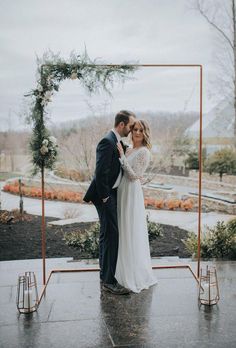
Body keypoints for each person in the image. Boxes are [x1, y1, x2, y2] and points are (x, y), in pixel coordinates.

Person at [83, 110, 136, 295]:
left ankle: (104, 275)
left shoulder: (117, 141)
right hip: (104, 196)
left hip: (111, 194)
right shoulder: (107, 141)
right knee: (111, 236)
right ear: (122, 124)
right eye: (130, 126)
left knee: (108, 235)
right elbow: (100, 173)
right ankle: (109, 282)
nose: (131, 130)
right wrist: (105, 197)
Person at [115, 119, 157, 293]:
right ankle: (122, 268)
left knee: (130, 228)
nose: (138, 132)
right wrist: (123, 154)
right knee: (122, 227)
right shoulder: (129, 148)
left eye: (141, 130)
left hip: (132, 191)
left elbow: (135, 176)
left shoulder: (144, 152)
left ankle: (133, 273)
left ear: (145, 132)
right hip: (122, 189)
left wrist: (122, 158)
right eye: (135, 129)